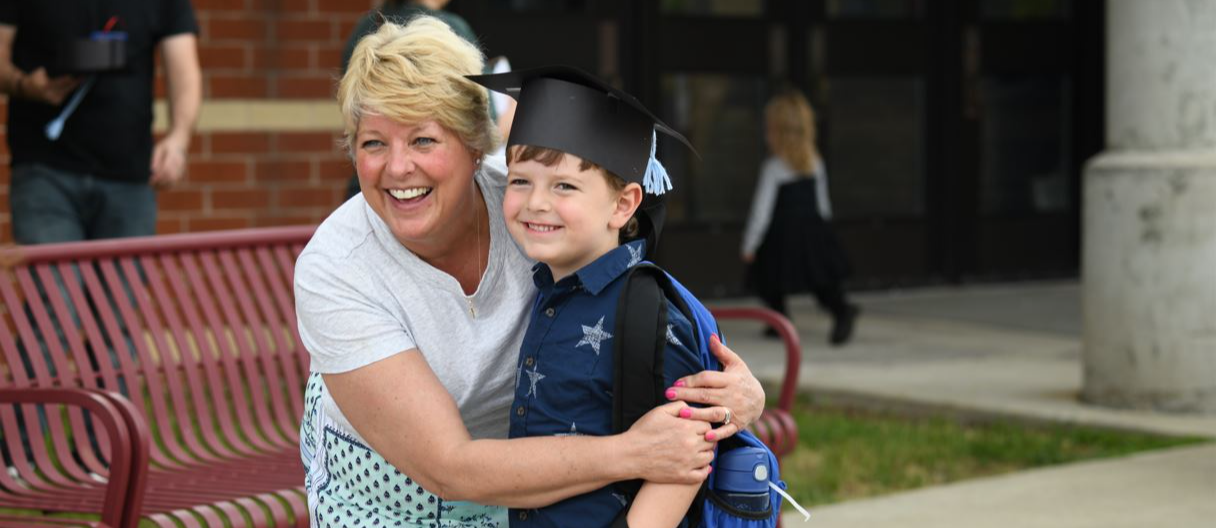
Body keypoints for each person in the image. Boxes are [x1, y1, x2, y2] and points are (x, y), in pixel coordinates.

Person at [297, 17, 765, 527]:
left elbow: (655, 313)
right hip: (383, 494)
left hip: (536, 490)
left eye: (424, 140)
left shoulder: (531, 209)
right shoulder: (338, 267)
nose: (398, 167)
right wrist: (633, 453)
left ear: (475, 146)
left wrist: (739, 395)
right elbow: (448, 468)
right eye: (373, 143)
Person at [471, 66, 740, 527]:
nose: (536, 202)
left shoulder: (647, 311)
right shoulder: (545, 288)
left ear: (623, 204)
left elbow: (687, 453)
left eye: (564, 186)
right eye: (520, 181)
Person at [0, 0, 201, 245]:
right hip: (44, 170)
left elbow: (185, 69)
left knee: (124, 273)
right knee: (54, 272)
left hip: (130, 176)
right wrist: (24, 85)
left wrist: (178, 138)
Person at [741, 89, 859, 346]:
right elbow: (823, 204)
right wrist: (825, 234)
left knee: (766, 276)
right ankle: (837, 309)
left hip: (782, 236)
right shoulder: (815, 162)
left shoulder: (774, 167)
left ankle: (783, 318)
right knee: (819, 280)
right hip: (812, 230)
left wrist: (750, 245)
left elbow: (761, 211)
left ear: (777, 132)